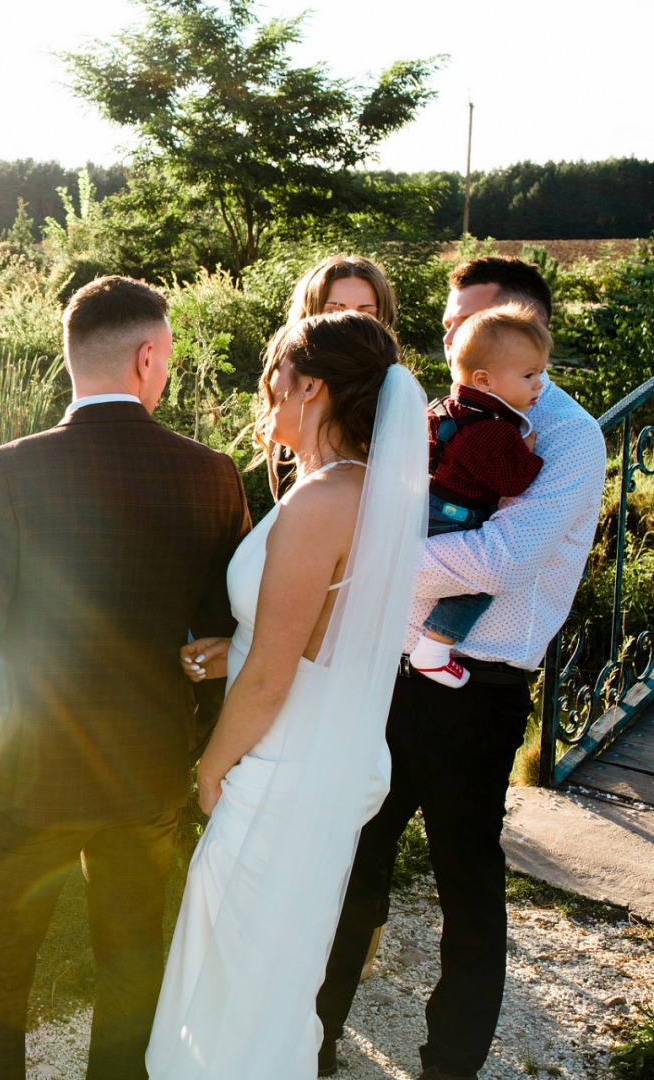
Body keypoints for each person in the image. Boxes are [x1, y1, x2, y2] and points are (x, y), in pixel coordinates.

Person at [0, 276, 251, 1080]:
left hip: (19, 768)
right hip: (145, 769)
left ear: (71, 358)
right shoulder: (210, 473)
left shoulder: (7, 470)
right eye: (169, 358)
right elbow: (225, 637)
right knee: (132, 968)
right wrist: (202, 749)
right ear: (148, 357)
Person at [315, 256, 608, 1080]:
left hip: (479, 694)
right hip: (394, 670)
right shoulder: (434, 411)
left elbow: (504, 557)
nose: (446, 337)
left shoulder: (566, 436)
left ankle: (448, 1066)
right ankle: (309, 1041)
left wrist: (373, 555)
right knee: (351, 861)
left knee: (466, 887)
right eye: (446, 324)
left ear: (522, 330)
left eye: (464, 323)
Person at [147, 313, 429, 1079]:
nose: (264, 389)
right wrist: (227, 653)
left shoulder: (317, 503)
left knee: (239, 975)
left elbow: (274, 676)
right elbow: (313, 646)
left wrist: (211, 766)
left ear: (312, 387)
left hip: (278, 766)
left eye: (275, 373)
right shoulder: (365, 492)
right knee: (270, 966)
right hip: (323, 753)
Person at [408, 305, 550, 688]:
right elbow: (512, 482)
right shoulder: (498, 431)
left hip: (428, 505)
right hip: (456, 516)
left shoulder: (450, 407)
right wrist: (531, 453)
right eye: (529, 375)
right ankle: (434, 649)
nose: (540, 384)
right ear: (485, 381)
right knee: (476, 583)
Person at [286, 254, 397, 325]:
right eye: (334, 313)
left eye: (366, 315)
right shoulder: (285, 361)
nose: (350, 324)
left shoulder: (391, 363)